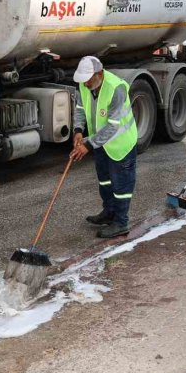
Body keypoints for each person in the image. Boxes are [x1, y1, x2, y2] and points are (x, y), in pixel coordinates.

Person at [70, 56, 138, 239]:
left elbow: (113, 126)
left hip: (120, 144)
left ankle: (121, 223)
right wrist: (78, 130)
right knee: (105, 181)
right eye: (83, 81)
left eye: (88, 80)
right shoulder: (84, 85)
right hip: (100, 143)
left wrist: (88, 145)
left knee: (121, 185)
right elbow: (80, 108)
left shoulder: (116, 88)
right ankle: (109, 212)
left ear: (99, 74)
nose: (85, 84)